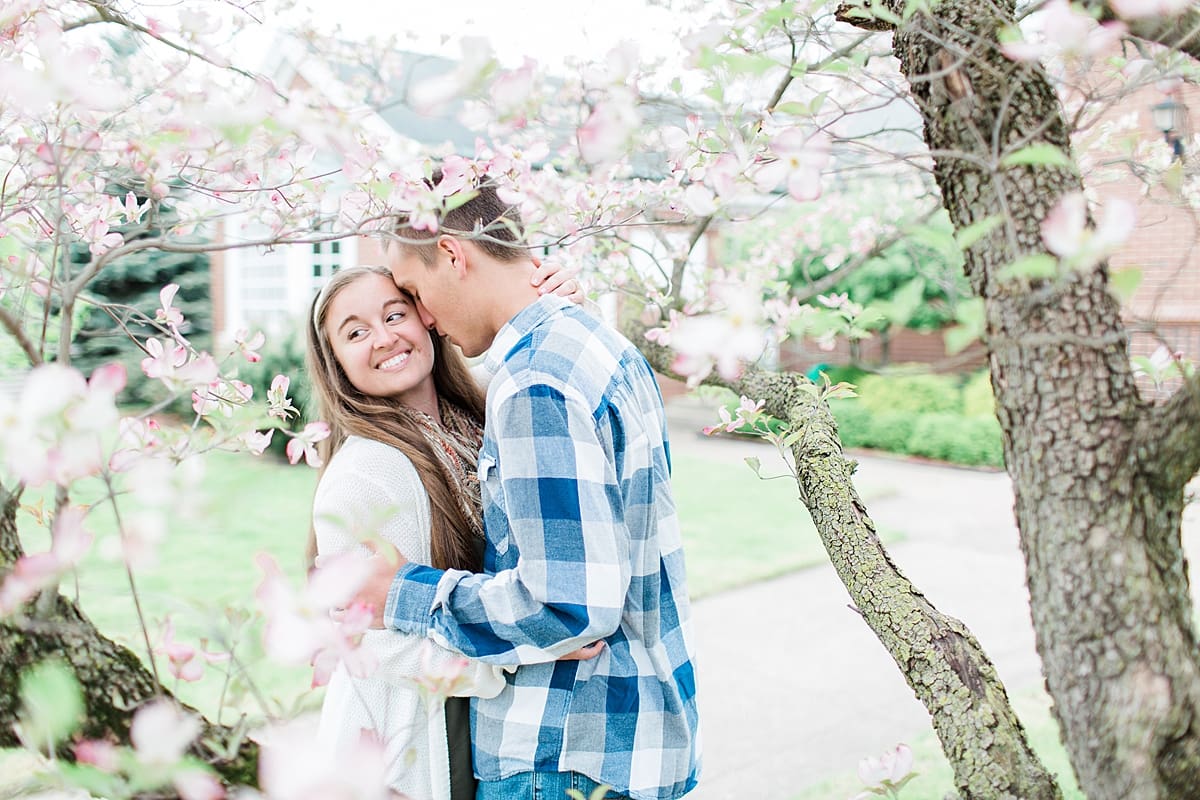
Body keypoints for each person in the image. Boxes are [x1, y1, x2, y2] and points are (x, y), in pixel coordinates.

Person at [351, 172, 701, 800]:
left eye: (413, 291)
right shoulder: (598, 343)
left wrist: (404, 595)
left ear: (453, 255)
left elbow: (566, 607)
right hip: (627, 740)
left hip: (561, 752)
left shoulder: (535, 382)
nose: (424, 319)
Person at [306, 262, 594, 800]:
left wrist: (562, 306)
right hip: (408, 740)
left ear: (428, 319)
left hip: (489, 722)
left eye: (396, 314)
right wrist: (521, 648)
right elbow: (367, 640)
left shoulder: (482, 410)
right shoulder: (360, 475)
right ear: (335, 363)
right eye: (356, 331)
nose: (386, 337)